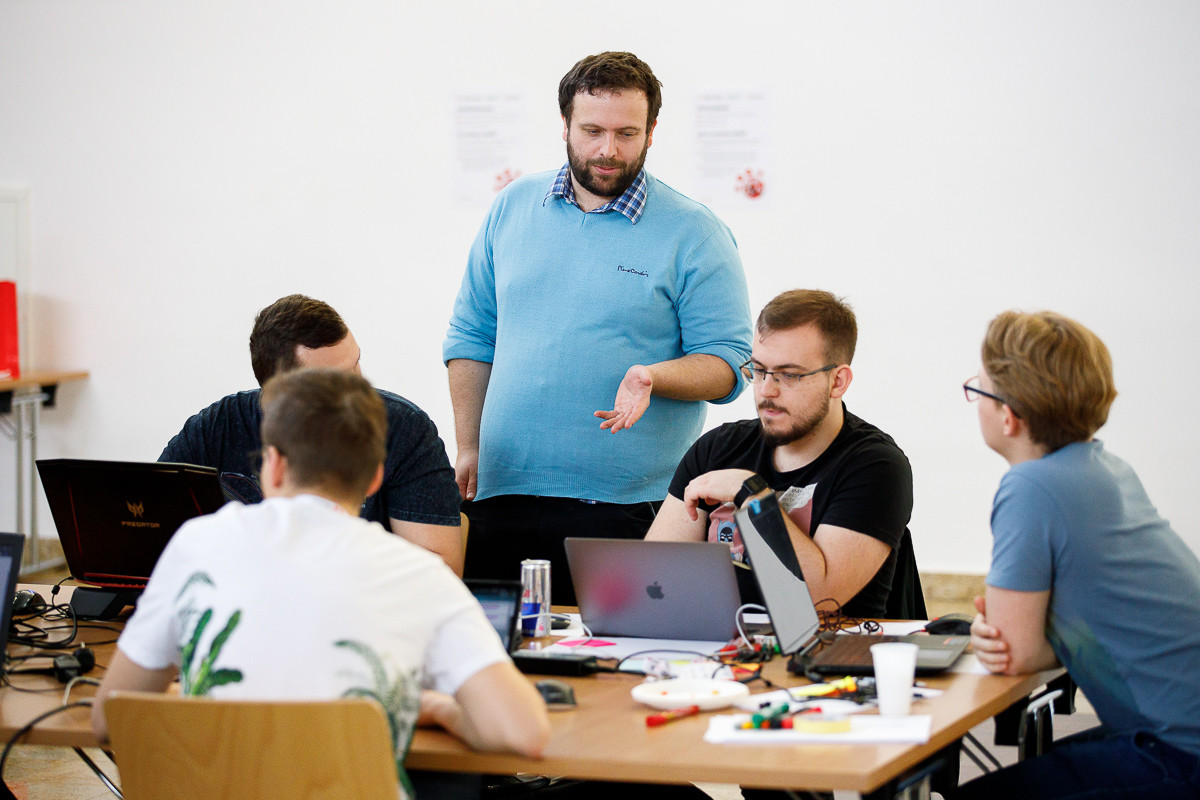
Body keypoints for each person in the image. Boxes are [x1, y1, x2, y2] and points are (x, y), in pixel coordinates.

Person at [94, 368, 550, 798]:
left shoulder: (196, 544)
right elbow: (524, 732)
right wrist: (440, 708)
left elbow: (109, 717)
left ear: (273, 466)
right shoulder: (418, 572)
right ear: (374, 478)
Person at [444, 51, 752, 603]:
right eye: (592, 131)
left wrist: (654, 376)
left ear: (651, 133)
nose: (608, 149)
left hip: (629, 507)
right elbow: (471, 337)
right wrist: (469, 445)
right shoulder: (511, 208)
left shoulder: (695, 233)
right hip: (502, 494)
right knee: (503, 649)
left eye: (626, 133)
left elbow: (730, 364)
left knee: (617, 650)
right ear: (565, 125)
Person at [957, 311, 1200, 798]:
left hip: (1179, 751)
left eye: (977, 389)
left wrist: (998, 633)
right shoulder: (1107, 467)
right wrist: (1011, 633)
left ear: (1008, 415)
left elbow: (1016, 653)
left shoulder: (1030, 488)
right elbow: (1074, 634)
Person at [646, 289, 921, 619]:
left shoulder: (876, 466)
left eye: (789, 375)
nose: (766, 390)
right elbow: (652, 581)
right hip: (718, 643)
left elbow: (818, 599)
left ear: (838, 381)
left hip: (828, 647)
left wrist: (752, 495)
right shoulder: (717, 449)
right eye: (759, 370)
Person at [161, 294, 465, 575]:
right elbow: (152, 524)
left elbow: (439, 571)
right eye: (335, 381)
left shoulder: (402, 429)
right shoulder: (216, 428)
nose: (359, 388)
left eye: (356, 364)